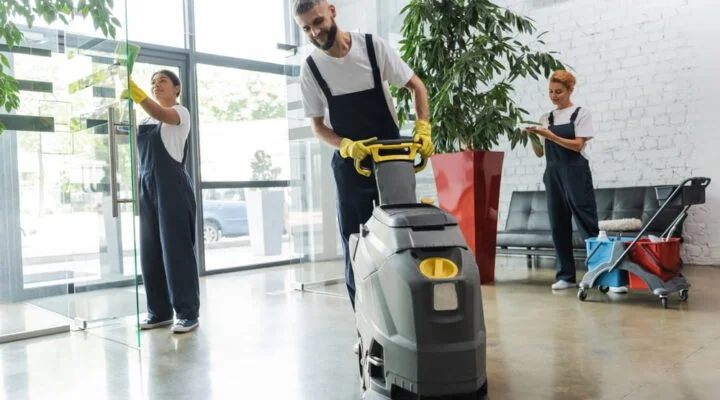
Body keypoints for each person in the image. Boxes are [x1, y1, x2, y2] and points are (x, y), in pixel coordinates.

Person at [293, 0, 433, 310]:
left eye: (317, 22)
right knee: (355, 241)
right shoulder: (312, 68)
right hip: (350, 163)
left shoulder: (371, 47)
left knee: (400, 234)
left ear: (332, 10)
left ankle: (407, 310)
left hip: (391, 159)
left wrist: (423, 128)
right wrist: (345, 145)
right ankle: (364, 318)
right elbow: (318, 126)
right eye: (307, 29)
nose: (315, 32)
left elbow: (416, 86)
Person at [121, 70, 200, 332]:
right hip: (147, 187)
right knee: (150, 250)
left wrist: (136, 92)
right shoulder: (145, 118)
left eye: (163, 81)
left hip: (173, 188)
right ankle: (159, 311)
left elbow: (159, 113)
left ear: (177, 88)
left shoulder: (180, 113)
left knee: (176, 251)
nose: (156, 86)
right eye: (152, 83)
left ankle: (188, 313)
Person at [524, 70, 600, 291]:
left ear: (570, 90)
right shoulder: (545, 118)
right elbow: (540, 153)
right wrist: (532, 137)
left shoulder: (580, 113)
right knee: (558, 225)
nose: (554, 96)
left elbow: (578, 146)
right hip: (553, 172)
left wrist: (551, 136)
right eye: (550, 91)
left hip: (576, 171)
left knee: (587, 222)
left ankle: (602, 272)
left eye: (559, 91)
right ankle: (566, 276)